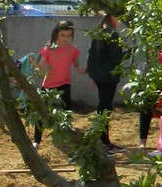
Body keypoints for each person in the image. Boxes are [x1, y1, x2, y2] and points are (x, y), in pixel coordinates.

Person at [29, 19, 85, 147]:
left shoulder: (72, 50)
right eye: (62, 35)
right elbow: (40, 70)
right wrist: (34, 64)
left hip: (64, 84)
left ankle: (68, 138)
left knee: (66, 112)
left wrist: (81, 70)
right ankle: (37, 140)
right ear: (56, 34)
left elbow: (76, 65)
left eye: (68, 36)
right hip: (48, 85)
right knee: (41, 112)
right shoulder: (48, 49)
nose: (65, 39)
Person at [86, 14, 126, 152]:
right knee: (105, 108)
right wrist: (131, 52)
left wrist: (92, 75)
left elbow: (91, 56)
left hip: (98, 75)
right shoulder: (113, 35)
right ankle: (103, 141)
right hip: (109, 75)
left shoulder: (97, 33)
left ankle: (101, 139)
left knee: (102, 106)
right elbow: (116, 58)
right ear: (112, 18)